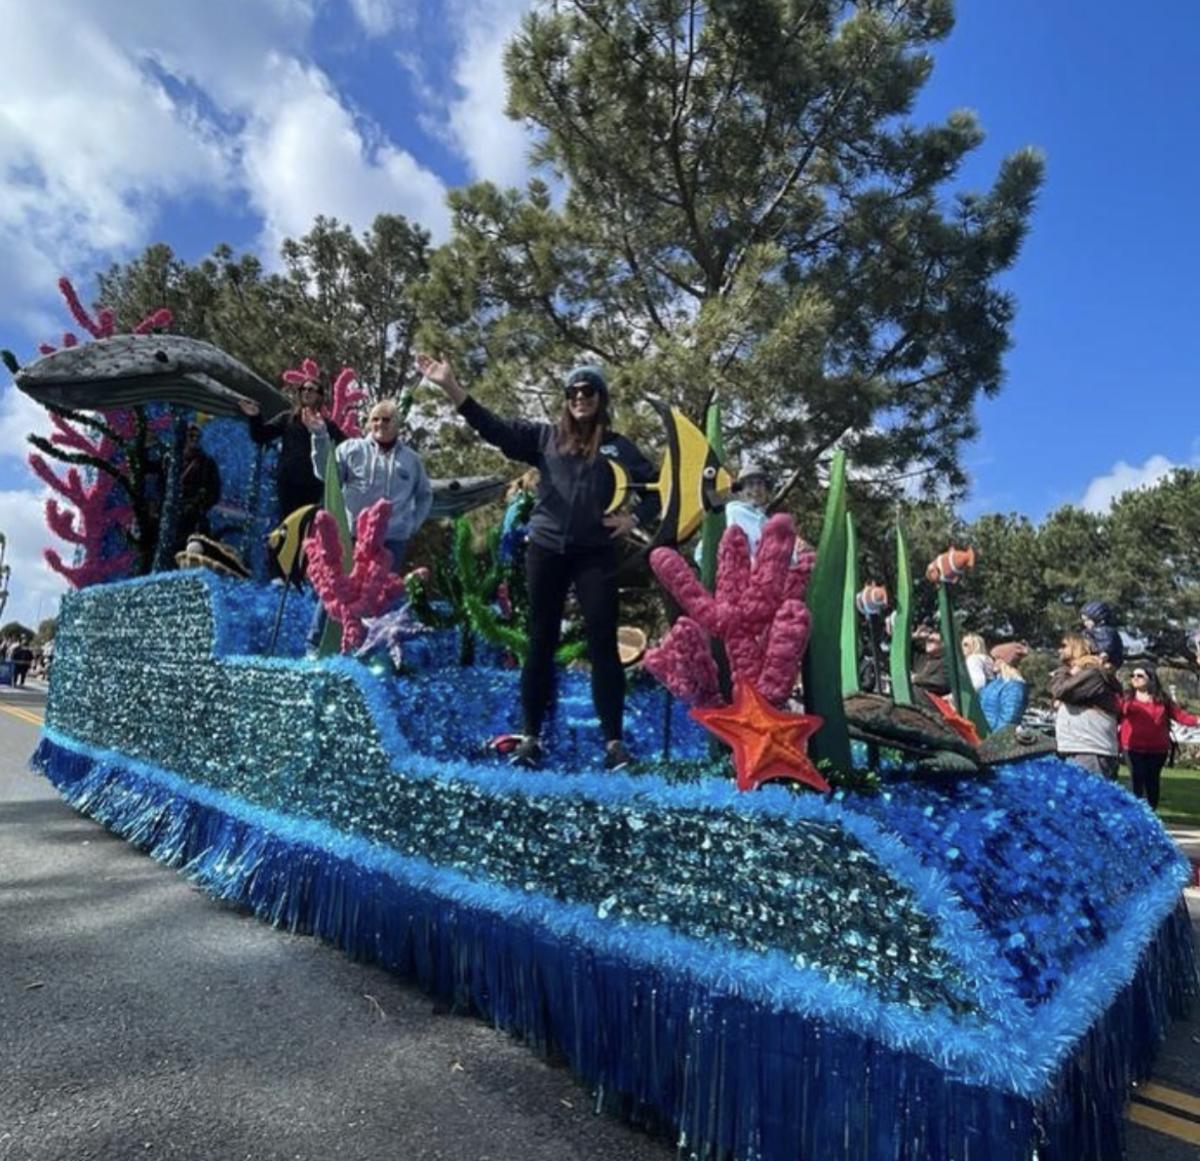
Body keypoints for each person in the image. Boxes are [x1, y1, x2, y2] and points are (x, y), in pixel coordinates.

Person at [417, 353, 657, 771]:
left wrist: (634, 519)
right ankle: (531, 738)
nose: (580, 397)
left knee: (603, 642)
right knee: (540, 641)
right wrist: (451, 386)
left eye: (588, 390)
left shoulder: (619, 447)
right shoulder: (546, 438)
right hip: (546, 550)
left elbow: (657, 489)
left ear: (601, 398)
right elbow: (493, 428)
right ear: (566, 399)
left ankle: (614, 745)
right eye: (573, 392)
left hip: (595, 554)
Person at [239, 375, 345, 518]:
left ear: (319, 396)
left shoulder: (326, 425)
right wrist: (255, 417)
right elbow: (260, 435)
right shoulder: (287, 418)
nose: (306, 392)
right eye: (303, 389)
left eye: (311, 390)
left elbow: (346, 445)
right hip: (288, 482)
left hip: (312, 484)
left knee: (307, 522)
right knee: (287, 522)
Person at [1118, 664, 1199, 810]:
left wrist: (1197, 720)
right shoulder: (1126, 699)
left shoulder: (1162, 700)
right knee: (1137, 779)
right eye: (1132, 676)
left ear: (1150, 679)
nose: (1135, 678)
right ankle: (1137, 812)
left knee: (1152, 782)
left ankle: (1151, 812)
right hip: (1132, 748)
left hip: (1157, 750)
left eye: (1140, 676)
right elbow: (1115, 715)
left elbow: (1180, 716)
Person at [1050, 634, 1121, 777]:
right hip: (1076, 747)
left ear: (1078, 647)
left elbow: (1061, 691)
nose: (1059, 650)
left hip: (1090, 751)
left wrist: (1063, 671)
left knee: (1089, 791)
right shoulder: (1079, 674)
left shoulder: (1093, 674)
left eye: (1064, 646)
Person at [174, 422, 221, 553]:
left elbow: (214, 492)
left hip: (194, 518)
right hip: (173, 517)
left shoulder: (207, 463)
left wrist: (197, 504)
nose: (194, 439)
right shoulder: (172, 460)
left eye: (197, 436)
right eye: (191, 436)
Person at [979, 641, 1029, 730]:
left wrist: (996, 736)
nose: (993, 662)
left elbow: (1009, 718)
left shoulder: (1014, 686)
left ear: (1005, 661)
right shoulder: (994, 683)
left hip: (995, 735)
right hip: (982, 733)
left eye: (996, 659)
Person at [1080, 600, 1124, 668]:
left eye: (1088, 620)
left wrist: (1103, 656)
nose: (1085, 623)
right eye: (1084, 621)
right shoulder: (1088, 632)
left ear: (1098, 618)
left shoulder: (1105, 631)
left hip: (1105, 663)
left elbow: (1106, 645)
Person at [911, 625, 951, 698]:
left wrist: (916, 679)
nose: (928, 643)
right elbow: (900, 645)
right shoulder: (921, 656)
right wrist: (915, 635)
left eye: (932, 641)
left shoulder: (945, 663)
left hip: (931, 700)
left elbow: (940, 683)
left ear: (943, 644)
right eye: (927, 640)